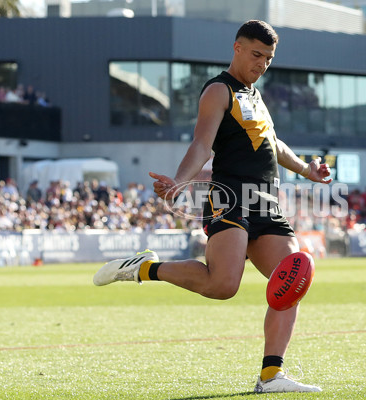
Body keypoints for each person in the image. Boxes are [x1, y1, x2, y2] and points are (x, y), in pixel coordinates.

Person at [93, 20, 331, 393]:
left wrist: (306, 169)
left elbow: (273, 141)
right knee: (222, 285)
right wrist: (180, 180)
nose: (262, 64)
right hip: (231, 197)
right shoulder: (219, 90)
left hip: (266, 202)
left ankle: (271, 375)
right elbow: (202, 144)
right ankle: (145, 268)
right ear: (237, 48)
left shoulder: (254, 94)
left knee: (292, 280)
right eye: (256, 55)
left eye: (268, 58)